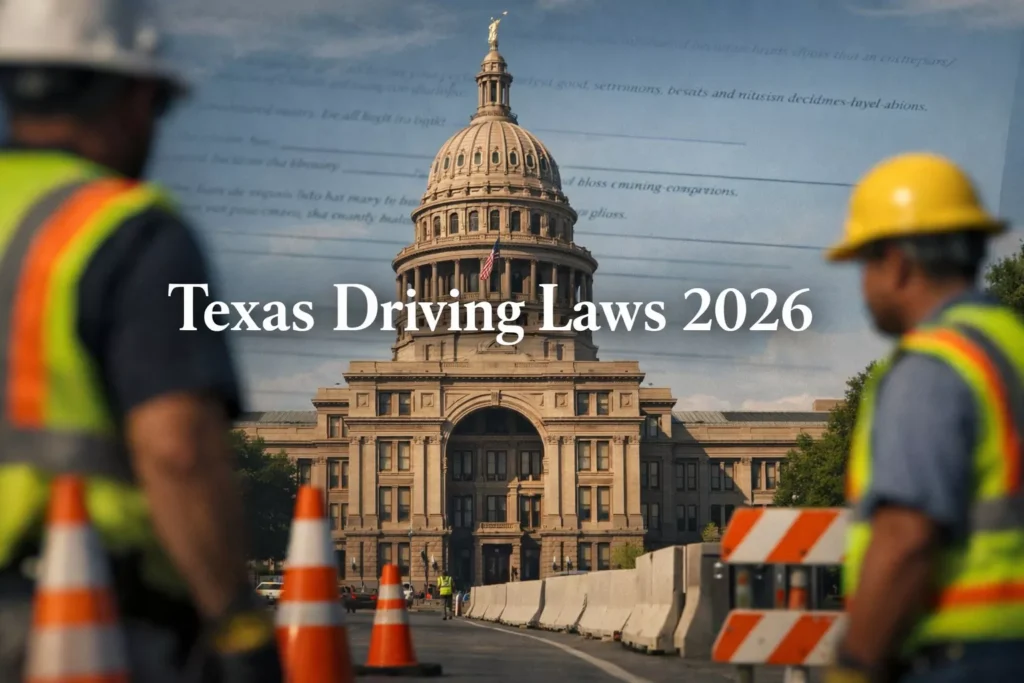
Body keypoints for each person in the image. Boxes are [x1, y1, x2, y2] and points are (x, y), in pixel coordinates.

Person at [0, 1, 283, 681]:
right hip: (80, 612)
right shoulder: (125, 225)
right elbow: (178, 447)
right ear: (132, 96)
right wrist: (239, 623)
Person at [823, 152, 1024, 683]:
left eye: (865, 263)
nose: (864, 285)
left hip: (965, 653)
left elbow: (907, 535)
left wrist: (856, 663)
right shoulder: (1010, 345)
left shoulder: (933, 365)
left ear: (898, 262)